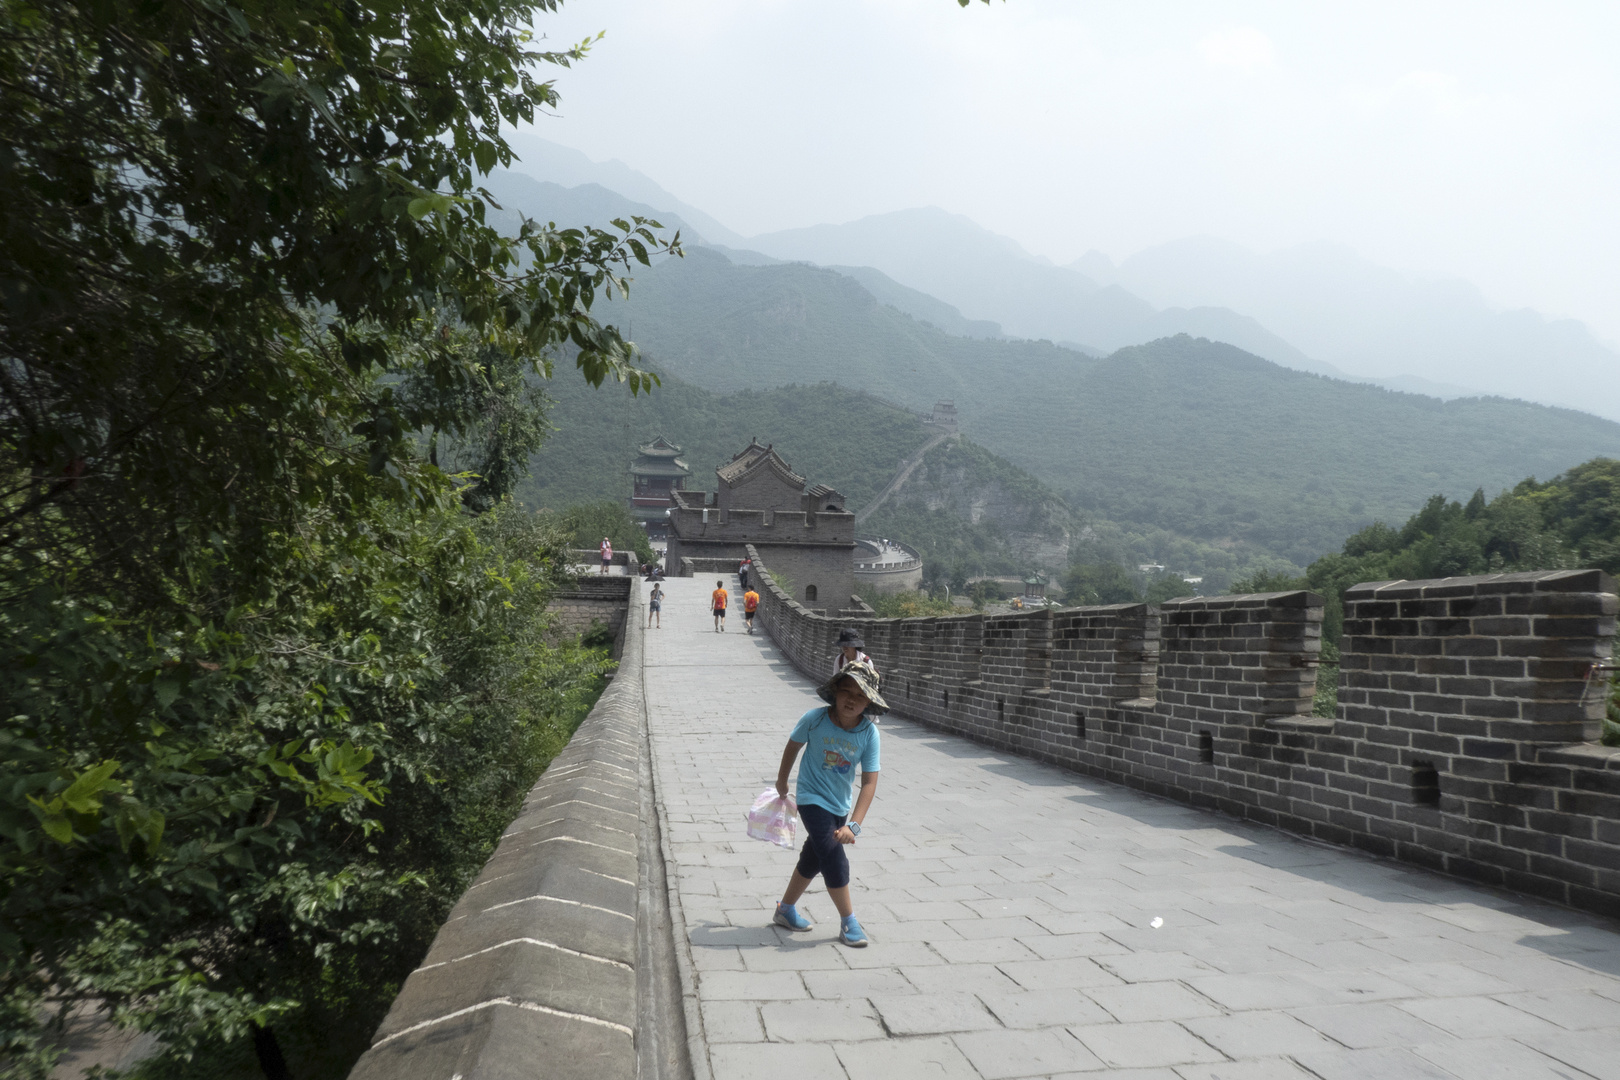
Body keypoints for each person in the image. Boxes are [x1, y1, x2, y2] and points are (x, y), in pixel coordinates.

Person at [771, 659, 884, 948]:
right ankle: (849, 922)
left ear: (869, 702)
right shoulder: (815, 719)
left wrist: (854, 826)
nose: (851, 700)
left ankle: (785, 910)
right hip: (811, 798)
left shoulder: (869, 734)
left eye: (860, 695)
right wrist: (782, 781)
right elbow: (793, 746)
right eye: (847, 691)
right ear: (835, 691)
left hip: (839, 806)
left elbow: (869, 782)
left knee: (814, 857)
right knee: (833, 855)